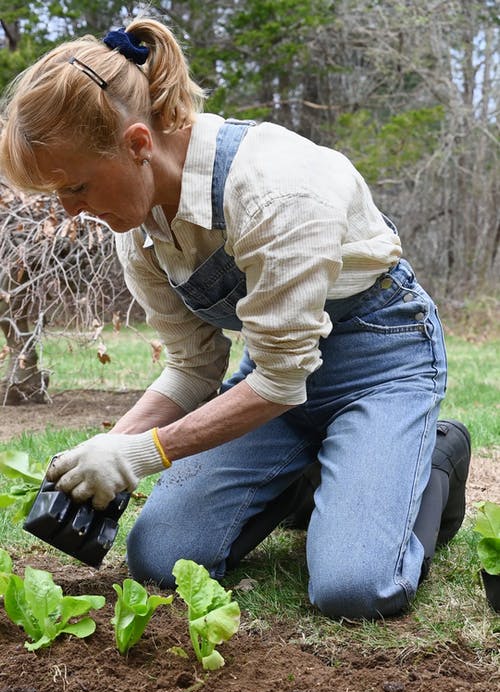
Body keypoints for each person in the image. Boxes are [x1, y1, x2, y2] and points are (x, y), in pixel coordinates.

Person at [0, 18, 471, 620]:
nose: (74, 211)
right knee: (161, 555)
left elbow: (278, 382)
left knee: (353, 588)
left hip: (380, 361)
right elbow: (195, 369)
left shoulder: (276, 193)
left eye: (78, 187)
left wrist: (143, 454)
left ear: (138, 144)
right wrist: (112, 445)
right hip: (276, 379)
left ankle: (433, 459)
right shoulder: (140, 236)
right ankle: (324, 470)